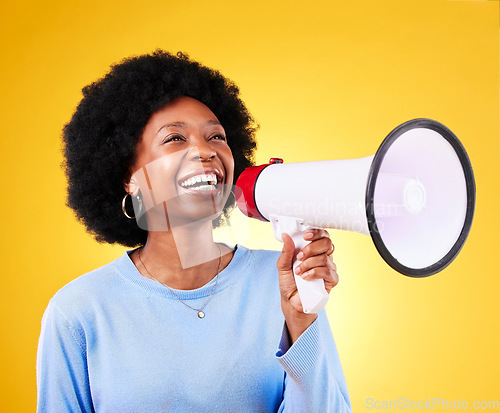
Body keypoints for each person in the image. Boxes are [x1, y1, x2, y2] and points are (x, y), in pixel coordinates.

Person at [36, 50, 352, 412]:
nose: (205, 151)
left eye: (216, 137)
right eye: (175, 139)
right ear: (128, 177)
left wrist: (301, 324)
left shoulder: (285, 282)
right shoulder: (78, 311)